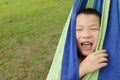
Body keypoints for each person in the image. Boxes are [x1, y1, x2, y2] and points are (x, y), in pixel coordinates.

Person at [76, 8, 108, 79]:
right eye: (79, 29)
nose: (86, 35)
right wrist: (81, 70)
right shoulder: (66, 62)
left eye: (94, 29)